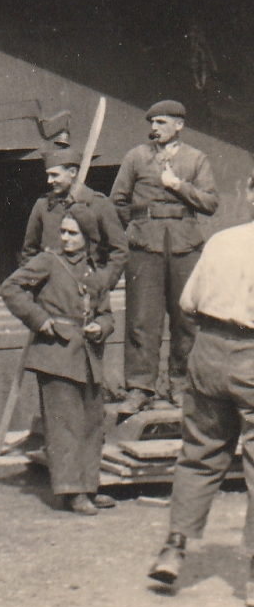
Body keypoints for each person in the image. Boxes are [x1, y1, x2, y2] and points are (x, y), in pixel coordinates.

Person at [148, 169, 254, 607]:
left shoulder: (221, 241)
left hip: (208, 351)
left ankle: (175, 546)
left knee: (200, 452)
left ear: (249, 192)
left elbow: (187, 303)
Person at [1, 209, 117, 516]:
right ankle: (71, 492)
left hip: (89, 356)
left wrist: (101, 327)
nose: (64, 237)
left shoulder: (95, 271)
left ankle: (89, 486)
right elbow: (10, 288)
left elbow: (106, 313)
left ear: (89, 239)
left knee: (92, 424)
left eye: (72, 233)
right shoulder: (48, 262)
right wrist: (39, 320)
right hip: (56, 354)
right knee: (63, 426)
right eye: (63, 231)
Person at [110, 100, 220, 412]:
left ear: (179, 125)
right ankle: (140, 387)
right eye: (152, 123)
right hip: (144, 247)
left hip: (185, 246)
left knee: (186, 318)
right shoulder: (136, 157)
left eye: (160, 122)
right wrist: (135, 229)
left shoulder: (196, 159)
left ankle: (182, 384)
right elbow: (117, 201)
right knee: (142, 318)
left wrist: (177, 185)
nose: (154, 128)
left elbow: (210, 202)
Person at [22, 149, 128, 295]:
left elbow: (120, 250)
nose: (49, 181)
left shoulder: (99, 204)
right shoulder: (42, 206)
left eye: (54, 175)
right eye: (48, 175)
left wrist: (104, 281)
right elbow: (29, 251)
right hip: (51, 292)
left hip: (88, 290)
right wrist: (35, 285)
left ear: (72, 172)